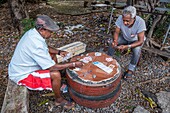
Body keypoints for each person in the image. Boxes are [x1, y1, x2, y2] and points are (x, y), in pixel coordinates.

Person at [8, 15, 83, 109]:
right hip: (22, 74)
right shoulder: (35, 43)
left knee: (53, 55)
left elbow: (46, 48)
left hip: (21, 66)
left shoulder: (33, 33)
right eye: (50, 32)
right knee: (56, 74)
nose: (51, 34)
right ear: (42, 30)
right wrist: (73, 64)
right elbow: (51, 67)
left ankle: (55, 84)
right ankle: (58, 100)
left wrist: (59, 52)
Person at [107, 6, 146, 80]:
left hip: (136, 41)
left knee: (137, 50)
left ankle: (131, 69)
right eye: (124, 20)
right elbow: (116, 32)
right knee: (112, 43)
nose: (125, 22)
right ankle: (108, 60)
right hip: (125, 38)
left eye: (127, 21)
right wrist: (115, 41)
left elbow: (140, 41)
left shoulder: (140, 22)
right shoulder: (120, 18)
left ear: (134, 18)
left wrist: (127, 46)